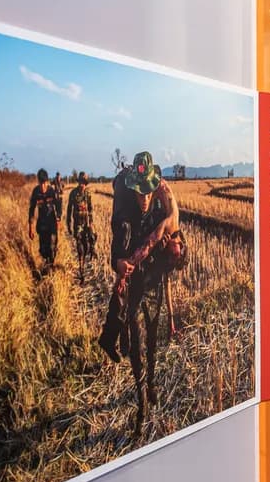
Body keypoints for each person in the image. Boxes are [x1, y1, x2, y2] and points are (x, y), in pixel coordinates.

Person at [97, 151, 183, 362]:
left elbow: (168, 231)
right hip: (127, 230)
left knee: (137, 289)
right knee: (123, 282)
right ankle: (111, 335)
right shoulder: (123, 200)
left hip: (155, 241)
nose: (144, 198)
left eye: (148, 192)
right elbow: (119, 238)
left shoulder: (164, 195)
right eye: (139, 192)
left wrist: (171, 247)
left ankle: (130, 333)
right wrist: (119, 264)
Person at [27, 168, 62, 268]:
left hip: (52, 223)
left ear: (47, 182)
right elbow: (31, 209)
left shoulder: (52, 191)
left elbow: (59, 206)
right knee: (43, 250)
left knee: (52, 247)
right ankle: (47, 262)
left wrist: (59, 219)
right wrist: (31, 228)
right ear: (38, 182)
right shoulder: (35, 192)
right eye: (40, 183)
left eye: (44, 183)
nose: (42, 186)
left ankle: (51, 266)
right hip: (42, 224)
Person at [67, 171, 95, 262]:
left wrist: (91, 222)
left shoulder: (88, 194)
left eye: (84, 183)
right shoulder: (73, 193)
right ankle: (81, 267)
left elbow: (90, 209)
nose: (82, 185)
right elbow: (69, 209)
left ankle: (91, 253)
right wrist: (68, 223)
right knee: (80, 246)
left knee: (88, 243)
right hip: (77, 223)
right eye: (80, 182)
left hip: (86, 222)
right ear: (78, 182)